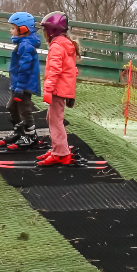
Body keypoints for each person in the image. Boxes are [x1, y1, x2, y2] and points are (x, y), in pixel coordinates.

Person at [36, 11, 81, 166]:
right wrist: (71, 94)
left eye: (45, 30)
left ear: (52, 31)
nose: (44, 34)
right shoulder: (66, 45)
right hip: (62, 89)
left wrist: (48, 90)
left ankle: (60, 153)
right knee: (52, 118)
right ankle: (58, 147)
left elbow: (55, 70)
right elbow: (72, 71)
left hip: (56, 89)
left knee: (55, 120)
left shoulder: (57, 46)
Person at [0, 12, 42, 150]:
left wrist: (20, 88)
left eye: (13, 28)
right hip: (18, 84)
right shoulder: (22, 43)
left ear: (23, 29)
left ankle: (31, 135)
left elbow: (25, 68)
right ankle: (19, 132)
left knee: (24, 108)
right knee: (11, 107)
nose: (11, 31)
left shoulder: (26, 45)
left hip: (24, 85)